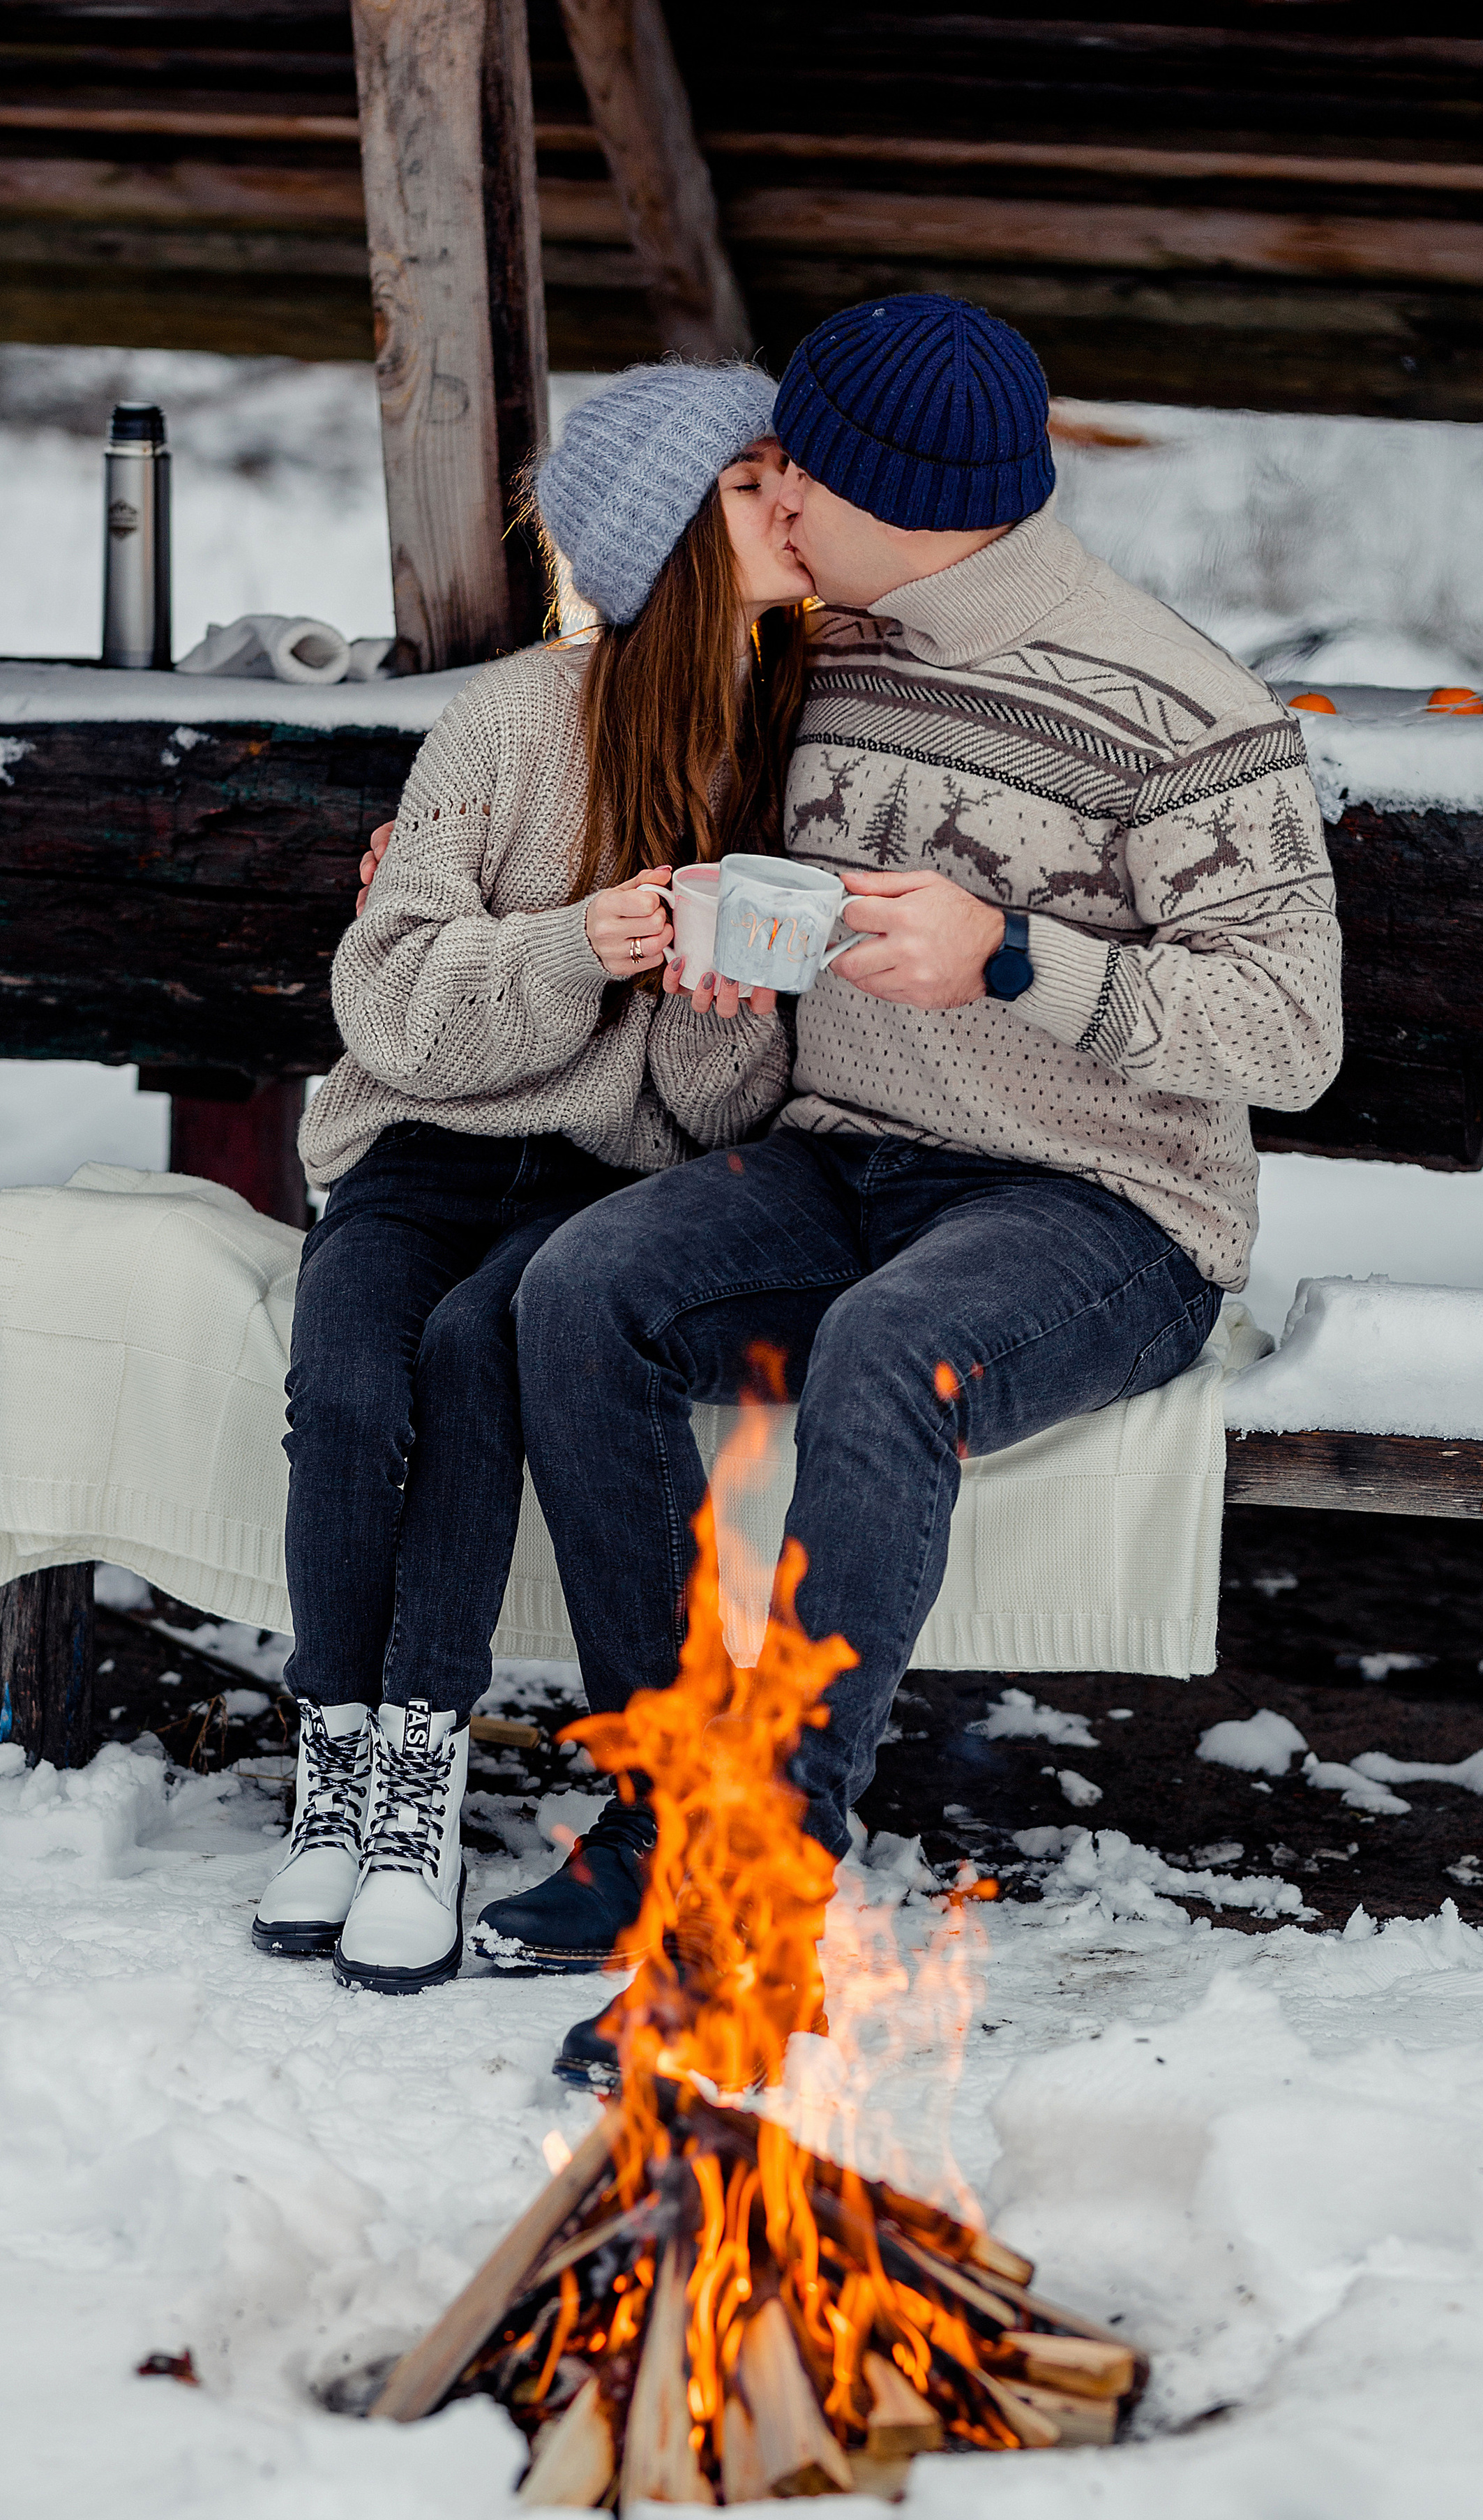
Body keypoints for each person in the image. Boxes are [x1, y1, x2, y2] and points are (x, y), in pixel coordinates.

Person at [473, 295, 1344, 2068]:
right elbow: (615, 734)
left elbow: (1287, 1033)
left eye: (798, 470)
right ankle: (664, 1808)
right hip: (839, 1159)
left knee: (891, 1352)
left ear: (904, 503)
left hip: (1099, 1209)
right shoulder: (826, 646)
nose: (771, 495)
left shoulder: (1187, 710)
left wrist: (1012, 955)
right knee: (579, 1291)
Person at [253, 361, 811, 1993]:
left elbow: (717, 1111)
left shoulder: (782, 745)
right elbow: (387, 1003)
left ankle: (417, 1788)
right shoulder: (503, 724)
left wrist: (715, 1007)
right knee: (346, 1385)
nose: (787, 506)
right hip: (418, 1153)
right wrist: (575, 946)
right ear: (663, 534)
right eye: (747, 484)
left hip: (594, 1187)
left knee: (471, 1351)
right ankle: (337, 1770)